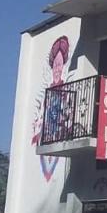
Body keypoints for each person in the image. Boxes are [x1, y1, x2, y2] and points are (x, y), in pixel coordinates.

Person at [31, 35, 70, 182]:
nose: (57, 69)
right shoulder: (46, 92)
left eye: (60, 65)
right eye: (56, 65)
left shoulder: (66, 91)